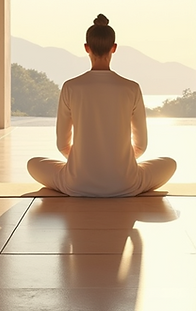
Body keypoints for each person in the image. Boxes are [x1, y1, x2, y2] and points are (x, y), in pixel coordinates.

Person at [27, 14, 177, 197]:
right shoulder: (131, 88)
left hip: (76, 184)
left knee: (34, 163)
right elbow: (141, 145)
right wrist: (117, 164)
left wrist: (85, 164)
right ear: (114, 48)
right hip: (126, 184)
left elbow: (62, 145)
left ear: (86, 48)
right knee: (169, 163)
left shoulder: (70, 87)